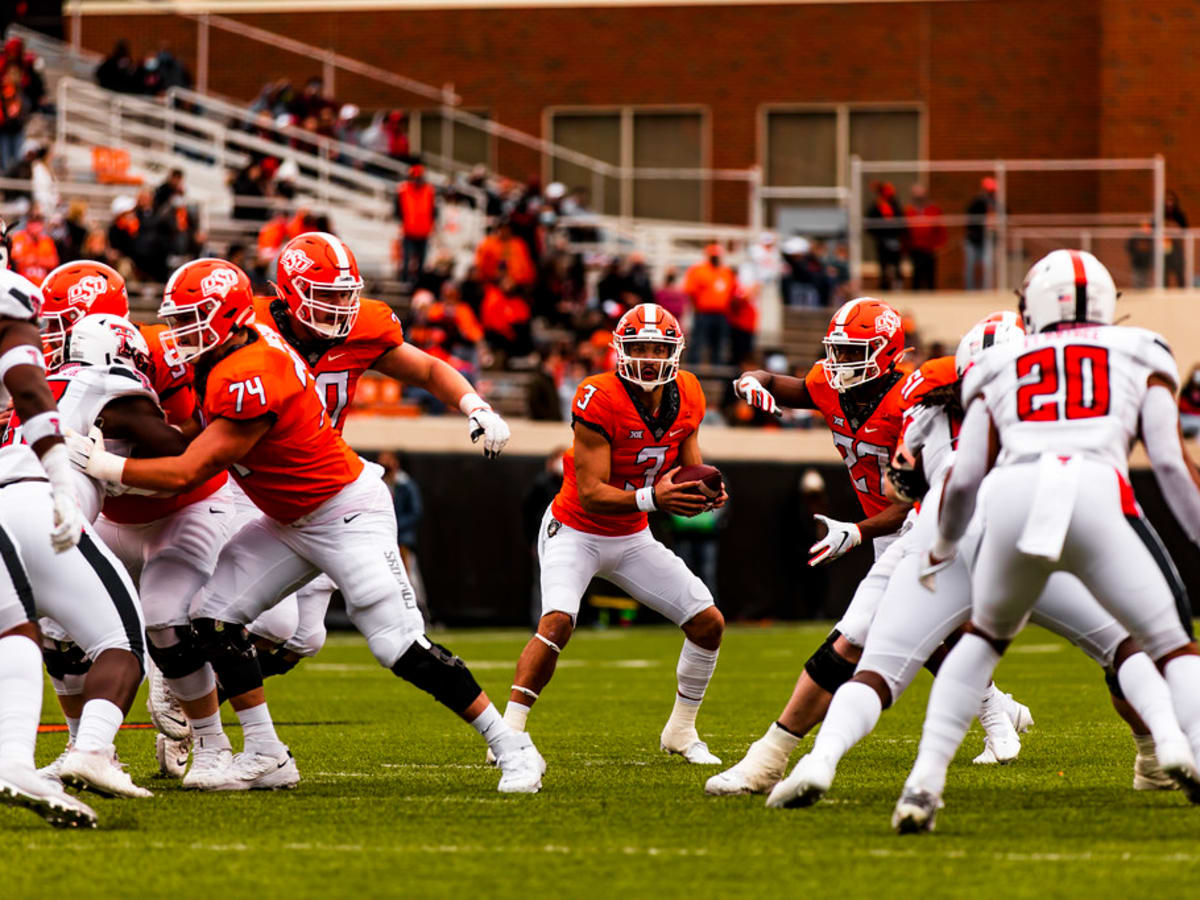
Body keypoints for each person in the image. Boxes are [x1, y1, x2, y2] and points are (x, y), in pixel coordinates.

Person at [68, 257, 546, 794]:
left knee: (398, 644)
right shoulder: (237, 343)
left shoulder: (250, 371)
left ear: (228, 316)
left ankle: (513, 746)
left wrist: (106, 465)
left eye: (193, 319)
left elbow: (191, 467)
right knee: (212, 618)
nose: (182, 333)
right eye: (178, 320)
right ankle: (267, 753)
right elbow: (151, 345)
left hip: (344, 511)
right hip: (283, 516)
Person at [767, 311, 1192, 808]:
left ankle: (883, 775)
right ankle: (1169, 743)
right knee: (1129, 643)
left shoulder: (925, 405)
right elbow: (1161, 456)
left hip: (954, 530)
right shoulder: (1089, 375)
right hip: (1053, 515)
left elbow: (927, 485)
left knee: (883, 659)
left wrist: (932, 543)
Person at [893, 249, 1200, 833]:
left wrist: (942, 543)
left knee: (980, 643)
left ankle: (923, 785)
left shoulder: (997, 363)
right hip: (1096, 493)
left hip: (1011, 499)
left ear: (1032, 304)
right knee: (1171, 645)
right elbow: (1170, 465)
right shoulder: (1142, 349)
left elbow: (965, 477)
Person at [707, 299, 1028, 796]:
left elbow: (917, 495)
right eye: (836, 351)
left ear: (889, 355)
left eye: (853, 352)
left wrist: (856, 530)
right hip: (891, 528)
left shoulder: (915, 399)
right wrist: (752, 382)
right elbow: (779, 384)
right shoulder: (832, 387)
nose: (839, 364)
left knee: (895, 635)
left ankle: (997, 717)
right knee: (920, 637)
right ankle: (998, 712)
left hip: (914, 519)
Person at [498, 303, 728, 776]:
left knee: (708, 623)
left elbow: (688, 467)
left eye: (657, 348)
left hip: (632, 536)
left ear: (674, 353)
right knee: (558, 621)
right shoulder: (597, 396)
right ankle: (510, 734)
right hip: (576, 528)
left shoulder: (688, 393)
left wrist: (703, 489)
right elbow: (593, 493)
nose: (647, 358)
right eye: (639, 348)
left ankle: (681, 730)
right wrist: (654, 498)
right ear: (620, 352)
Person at [38, 261, 235, 785]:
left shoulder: (153, 355)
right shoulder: (69, 371)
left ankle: (208, 741)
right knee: (88, 633)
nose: (49, 335)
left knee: (141, 623)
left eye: (60, 323)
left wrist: (116, 467)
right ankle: (90, 747)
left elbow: (191, 447)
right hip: (94, 516)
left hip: (184, 504)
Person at [0, 268, 97, 829]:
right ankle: (12, 759)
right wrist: (61, 475)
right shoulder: (9, 296)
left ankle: (14, 759)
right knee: (13, 625)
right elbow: (29, 390)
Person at [683, 244, 738, 365]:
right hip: (703, 312)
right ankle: (694, 366)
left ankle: (717, 367)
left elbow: (733, 292)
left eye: (717, 256)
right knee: (698, 341)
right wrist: (697, 307)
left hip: (722, 313)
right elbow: (691, 291)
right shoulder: (698, 270)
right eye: (713, 256)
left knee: (719, 343)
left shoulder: (726, 272)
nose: (715, 258)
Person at [396, 165, 436, 284]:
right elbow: (398, 211)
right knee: (407, 259)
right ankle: (405, 279)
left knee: (422, 261)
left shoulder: (429, 191)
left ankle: (418, 281)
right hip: (409, 231)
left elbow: (433, 211)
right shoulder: (403, 190)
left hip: (424, 231)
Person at [904, 184, 946, 290]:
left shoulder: (933, 209)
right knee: (916, 274)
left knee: (930, 274)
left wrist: (939, 244)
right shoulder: (908, 210)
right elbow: (905, 231)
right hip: (915, 247)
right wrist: (905, 246)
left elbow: (940, 228)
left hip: (930, 247)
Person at [865, 182, 904, 291]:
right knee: (883, 264)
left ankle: (897, 285)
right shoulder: (877, 206)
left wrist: (896, 233)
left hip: (894, 238)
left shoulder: (894, 205)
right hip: (882, 239)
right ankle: (884, 285)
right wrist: (878, 235)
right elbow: (870, 222)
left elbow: (900, 220)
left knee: (896, 263)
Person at [964, 177, 997, 290]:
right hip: (973, 240)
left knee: (988, 266)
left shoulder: (996, 203)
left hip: (988, 239)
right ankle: (970, 290)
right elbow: (969, 220)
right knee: (970, 266)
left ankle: (986, 290)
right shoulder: (976, 202)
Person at [1164, 190, 1189, 287]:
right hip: (1165, 246)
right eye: (1167, 200)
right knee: (1164, 270)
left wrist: (1174, 229)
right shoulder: (1161, 214)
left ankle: (1182, 289)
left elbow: (1185, 230)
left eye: (1171, 200)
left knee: (1179, 269)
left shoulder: (1179, 215)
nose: (1169, 203)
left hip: (1176, 246)